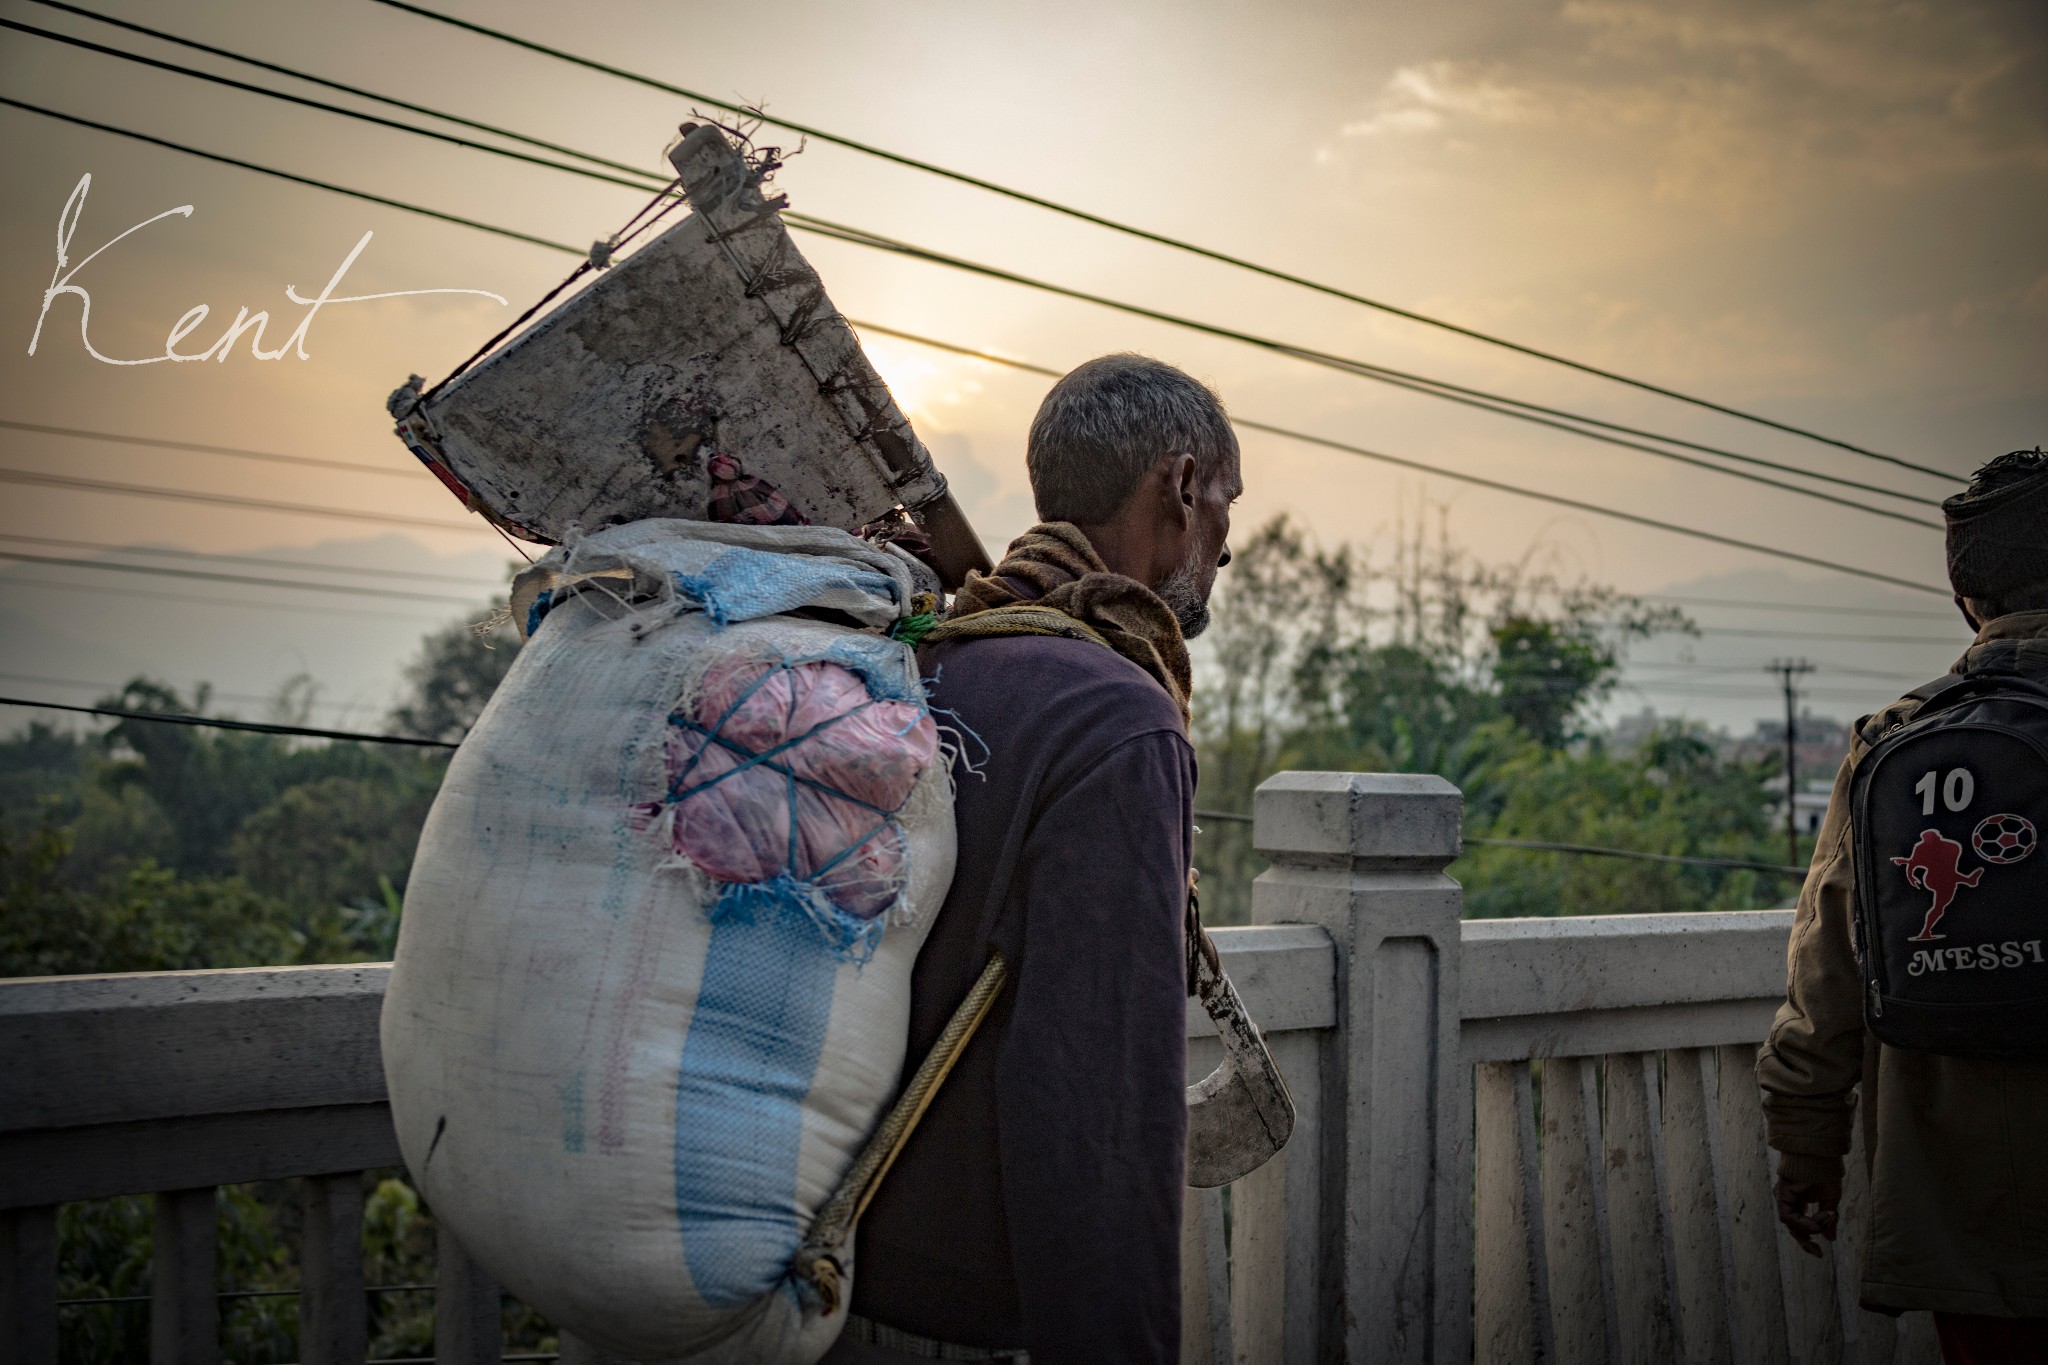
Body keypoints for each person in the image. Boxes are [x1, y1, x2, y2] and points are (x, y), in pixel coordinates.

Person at [824, 354, 1241, 1364]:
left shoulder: (929, 654)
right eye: (1226, 505)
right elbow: (1098, 1112)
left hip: (825, 1273)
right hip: (964, 1315)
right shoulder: (1114, 720)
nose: (1225, 551)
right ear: (1180, 488)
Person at [1758, 448, 2048, 1363]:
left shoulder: (1895, 742)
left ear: (1968, 599)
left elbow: (1826, 976)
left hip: (1954, 1194)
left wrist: (1808, 1149)